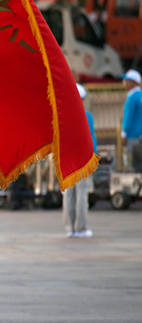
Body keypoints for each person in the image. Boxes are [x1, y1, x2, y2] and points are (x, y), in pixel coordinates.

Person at [64, 84, 97, 238]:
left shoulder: (62, 116)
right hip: (82, 159)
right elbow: (91, 139)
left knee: (69, 194)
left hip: (67, 159)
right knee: (82, 193)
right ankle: (81, 228)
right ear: (82, 99)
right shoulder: (87, 116)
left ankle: (70, 228)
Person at [121, 69, 142, 168]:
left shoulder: (131, 98)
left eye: (127, 80)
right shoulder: (140, 95)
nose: (124, 82)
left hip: (132, 135)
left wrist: (123, 134)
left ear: (134, 82)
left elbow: (128, 117)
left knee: (131, 163)